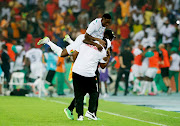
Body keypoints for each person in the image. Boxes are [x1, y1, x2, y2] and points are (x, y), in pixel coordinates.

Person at [68, 38, 110, 121]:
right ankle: (90, 112)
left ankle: (80, 116)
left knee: (79, 94)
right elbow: (102, 66)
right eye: (105, 45)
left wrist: (77, 63)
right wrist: (108, 56)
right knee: (94, 93)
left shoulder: (84, 45)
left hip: (76, 71)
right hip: (89, 73)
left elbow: (74, 54)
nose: (105, 46)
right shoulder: (102, 51)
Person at [37, 13, 112, 57]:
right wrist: (98, 41)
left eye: (109, 23)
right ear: (103, 19)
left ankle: (68, 40)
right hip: (83, 40)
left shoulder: (103, 26)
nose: (108, 24)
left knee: (79, 53)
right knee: (62, 54)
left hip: (86, 43)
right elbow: (86, 38)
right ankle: (48, 41)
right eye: (107, 22)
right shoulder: (94, 24)